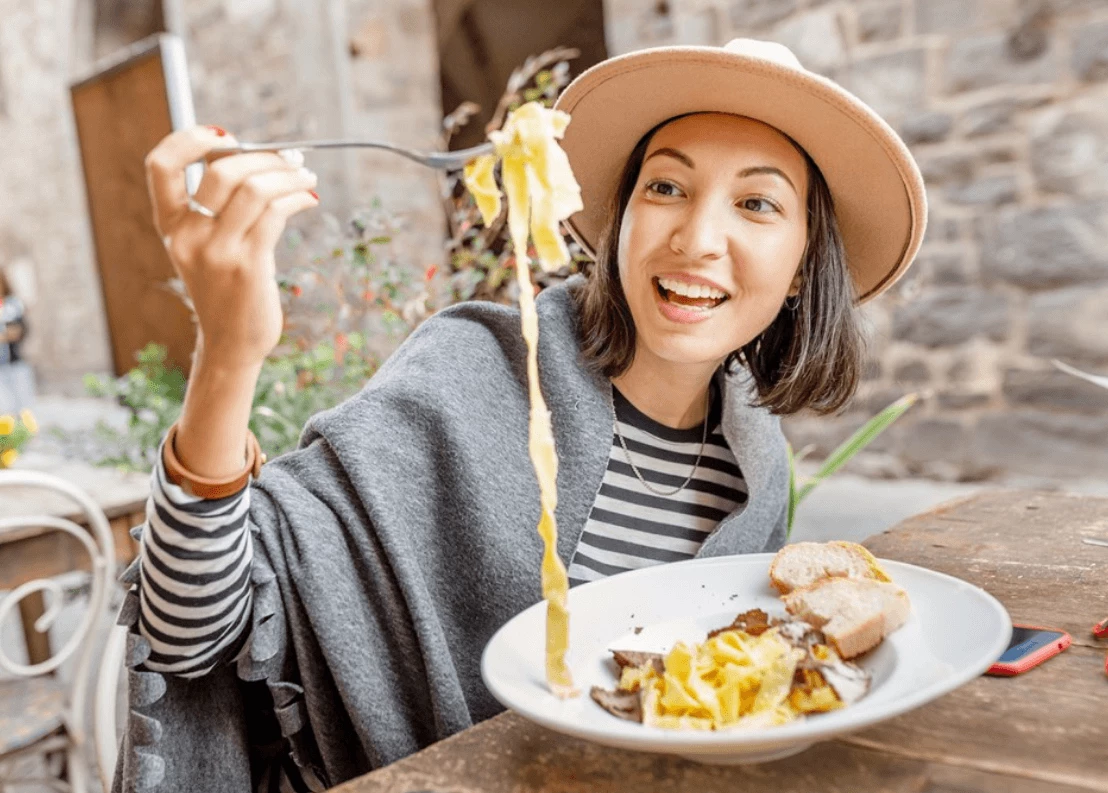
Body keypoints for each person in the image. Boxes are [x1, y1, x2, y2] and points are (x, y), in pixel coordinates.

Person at [115, 38, 926, 793]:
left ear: (798, 270)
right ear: (616, 224)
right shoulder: (471, 372)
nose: (698, 237)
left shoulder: (755, 466)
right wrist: (230, 348)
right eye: (666, 187)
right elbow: (190, 629)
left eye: (756, 204)